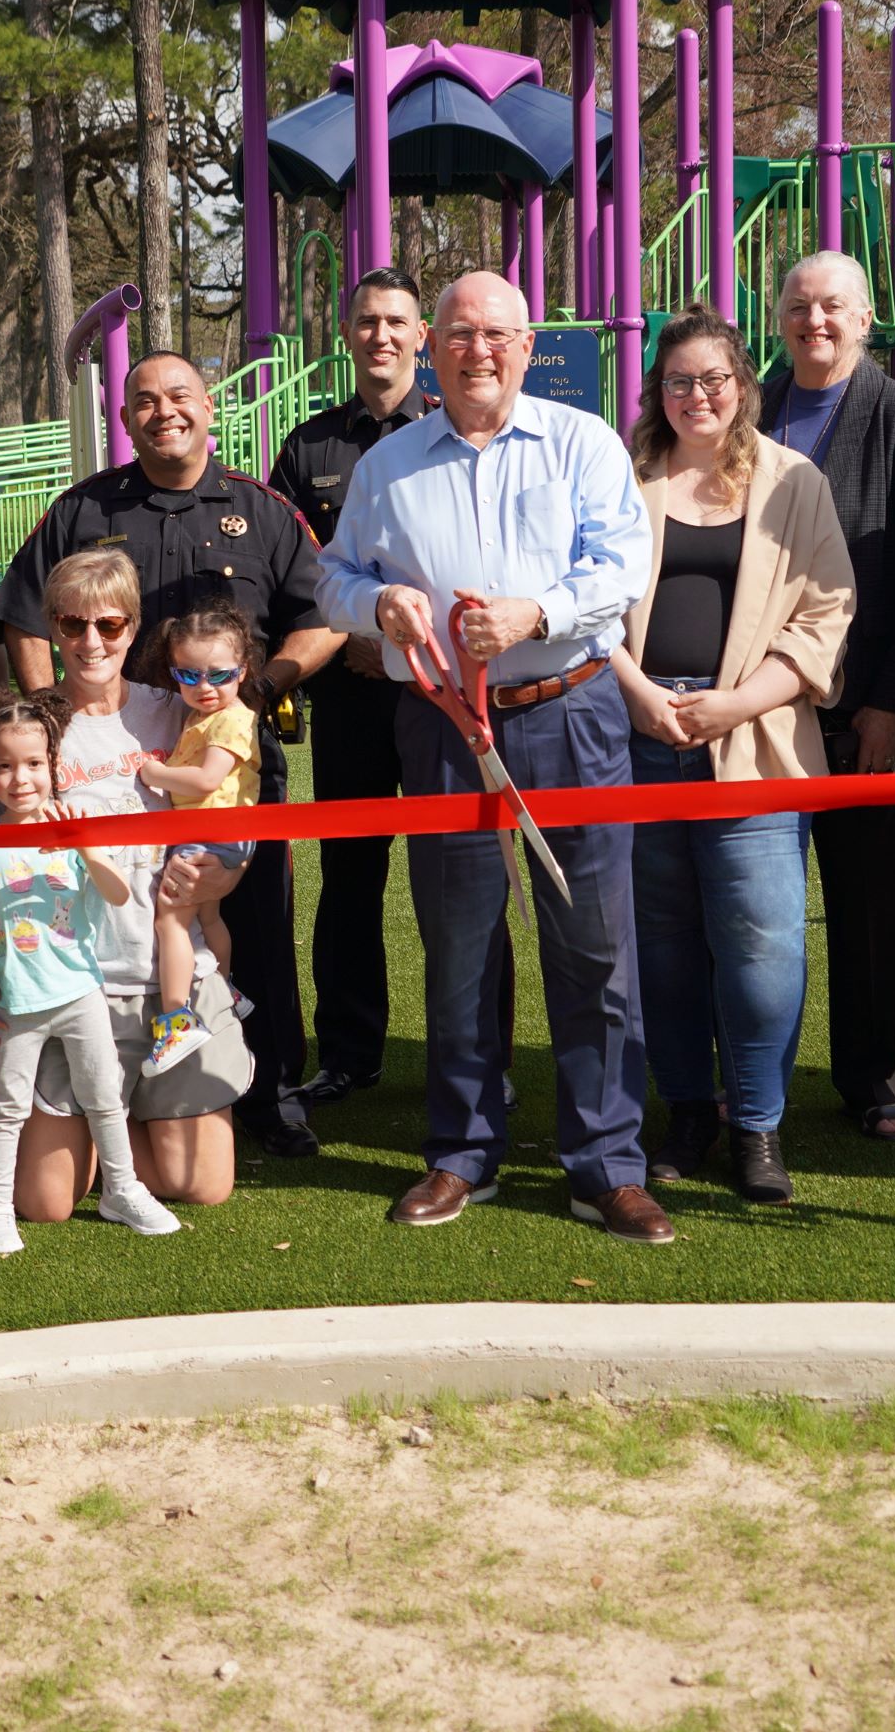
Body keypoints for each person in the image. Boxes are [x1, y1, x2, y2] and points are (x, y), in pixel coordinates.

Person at [317, 270, 669, 1244]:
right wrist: (373, 605)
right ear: (434, 345)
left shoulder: (582, 445)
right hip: (440, 724)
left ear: (527, 345)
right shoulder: (391, 467)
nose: (479, 351)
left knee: (593, 944)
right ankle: (464, 1151)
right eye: (462, 335)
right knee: (462, 941)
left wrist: (536, 613)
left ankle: (607, 1161)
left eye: (498, 335)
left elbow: (621, 569)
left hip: (571, 713)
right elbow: (333, 576)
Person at [0, 350, 342, 1157]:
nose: (163, 412)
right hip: (110, 766)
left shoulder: (263, 512)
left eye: (179, 396)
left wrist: (265, 685)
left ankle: (270, 1093)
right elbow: (21, 613)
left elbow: (323, 615)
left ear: (210, 408)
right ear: (124, 419)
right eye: (143, 401)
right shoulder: (84, 509)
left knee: (251, 924)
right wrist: (48, 715)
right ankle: (107, 1080)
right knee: (103, 921)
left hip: (228, 773)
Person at [0, 547, 251, 1218]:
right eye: (72, 624)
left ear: (134, 626)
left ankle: (106, 1124)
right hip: (63, 980)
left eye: (110, 625)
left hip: (168, 981)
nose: (91, 642)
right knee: (46, 1201)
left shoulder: (180, 711)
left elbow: (239, 812)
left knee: (200, 1184)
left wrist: (228, 871)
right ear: (52, 629)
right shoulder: (23, 731)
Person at [610, 309, 856, 1204]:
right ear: (657, 394)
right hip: (641, 740)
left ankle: (758, 1125)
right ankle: (686, 1111)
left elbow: (826, 613)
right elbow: (590, 602)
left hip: (752, 741)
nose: (698, 396)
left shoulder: (795, 483)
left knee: (761, 945)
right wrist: (642, 693)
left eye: (714, 379)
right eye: (679, 381)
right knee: (664, 946)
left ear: (743, 387)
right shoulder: (622, 480)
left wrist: (736, 705)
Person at [758, 251, 895, 1140]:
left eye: (833, 307)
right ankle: (750, 1074)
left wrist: (891, 701)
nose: (815, 322)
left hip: (861, 702)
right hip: (753, 705)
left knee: (869, 902)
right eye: (799, 307)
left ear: (865, 320)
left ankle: (877, 1080)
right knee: (753, 901)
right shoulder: (745, 405)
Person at [266, 266, 431, 1106]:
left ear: (421, 335)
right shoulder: (309, 447)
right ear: (347, 333)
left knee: (459, 878)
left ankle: (476, 1060)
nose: (382, 336)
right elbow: (297, 580)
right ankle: (350, 1053)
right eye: (367, 321)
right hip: (352, 699)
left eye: (397, 321)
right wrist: (352, 649)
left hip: (441, 697)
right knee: (351, 878)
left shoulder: (449, 429)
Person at [0, 688, 178, 1252]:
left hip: (80, 995)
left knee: (104, 1097)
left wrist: (91, 851)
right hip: (17, 1005)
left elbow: (119, 895)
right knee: (7, 1107)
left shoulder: (75, 827)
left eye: (34, 764)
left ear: (53, 765)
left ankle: (122, 1189)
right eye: (4, 767)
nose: (20, 779)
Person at [133, 604, 264, 1072]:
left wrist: (156, 773)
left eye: (219, 675)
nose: (204, 687)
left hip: (210, 834)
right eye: (188, 676)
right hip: (215, 833)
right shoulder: (206, 716)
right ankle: (222, 987)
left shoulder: (232, 718)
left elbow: (208, 780)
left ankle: (175, 1022)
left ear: (243, 669)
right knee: (207, 917)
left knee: (169, 921)